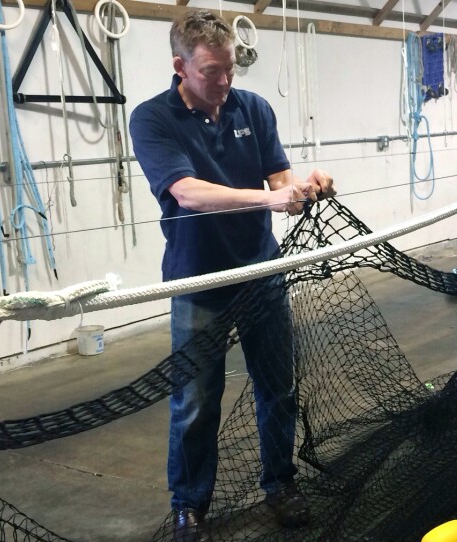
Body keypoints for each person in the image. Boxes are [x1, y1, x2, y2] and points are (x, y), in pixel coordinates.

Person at [129, 10, 335, 540]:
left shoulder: (253, 107)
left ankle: (280, 483)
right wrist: (270, 198)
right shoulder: (153, 119)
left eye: (229, 70)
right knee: (195, 402)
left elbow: (279, 175)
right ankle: (190, 506)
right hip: (198, 281)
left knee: (278, 387)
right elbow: (187, 192)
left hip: (263, 272)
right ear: (180, 65)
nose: (223, 82)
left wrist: (302, 187)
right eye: (210, 72)